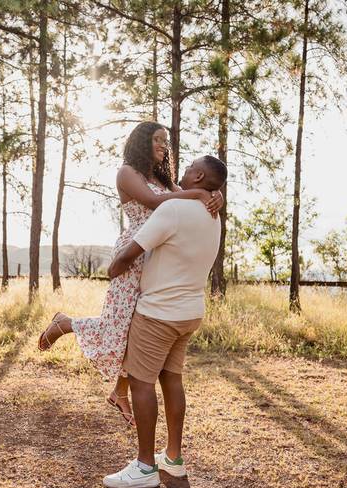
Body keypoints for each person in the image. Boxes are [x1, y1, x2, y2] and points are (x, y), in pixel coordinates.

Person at [36, 122, 222, 428]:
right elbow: (153, 202)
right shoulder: (127, 173)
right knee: (118, 326)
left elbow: (187, 199)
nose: (163, 145)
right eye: (157, 139)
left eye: (165, 141)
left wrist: (216, 195)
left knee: (136, 330)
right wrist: (202, 193)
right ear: (141, 142)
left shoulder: (164, 179)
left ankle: (120, 391)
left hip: (158, 255)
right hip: (134, 252)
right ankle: (65, 323)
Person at [101, 155, 226, 488]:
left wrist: (113, 269)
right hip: (189, 312)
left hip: (158, 313)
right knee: (172, 380)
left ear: (198, 176)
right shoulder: (213, 215)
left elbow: (132, 252)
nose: (183, 170)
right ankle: (173, 457)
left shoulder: (172, 209)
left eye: (190, 167)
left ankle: (145, 466)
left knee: (141, 383)